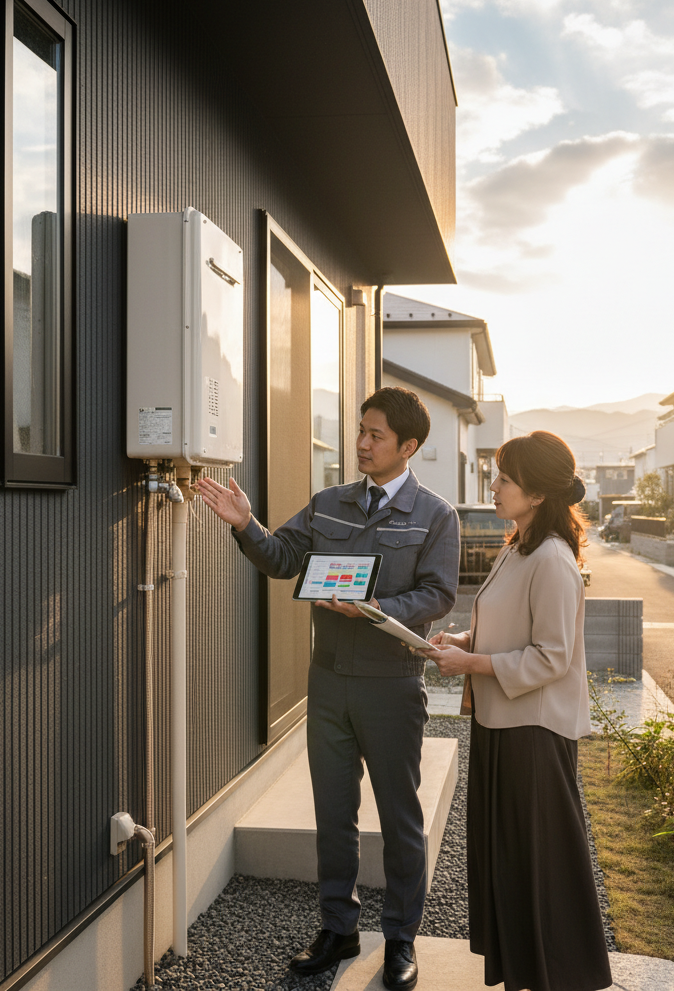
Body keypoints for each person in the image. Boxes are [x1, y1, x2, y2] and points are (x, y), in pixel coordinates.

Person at [195, 387, 460, 991]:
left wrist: (376, 608)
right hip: (330, 684)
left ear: (408, 446)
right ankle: (339, 928)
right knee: (333, 815)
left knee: (399, 818)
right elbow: (282, 558)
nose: (361, 443)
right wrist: (246, 525)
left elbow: (438, 594)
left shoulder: (435, 515)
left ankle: (400, 939)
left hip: (392, 686)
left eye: (375, 435)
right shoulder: (329, 503)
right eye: (360, 430)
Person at [425, 430, 612, 991]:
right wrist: (463, 641)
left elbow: (552, 656)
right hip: (503, 723)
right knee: (512, 860)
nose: (494, 485)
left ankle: (557, 975)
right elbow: (510, 631)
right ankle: (526, 972)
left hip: (533, 733)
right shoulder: (518, 547)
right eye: (498, 475)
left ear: (537, 494)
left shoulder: (551, 558)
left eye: (505, 479)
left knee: (538, 862)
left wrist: (472, 663)